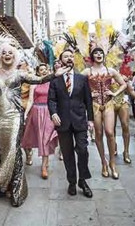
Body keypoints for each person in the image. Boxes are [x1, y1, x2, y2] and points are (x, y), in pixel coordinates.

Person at [0, 40, 68, 207]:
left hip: (15, 116)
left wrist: (54, 74)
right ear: (0, 56)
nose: (7, 55)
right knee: (2, 151)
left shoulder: (20, 74)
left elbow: (39, 80)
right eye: (4, 53)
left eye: (10, 52)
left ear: (15, 56)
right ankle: (3, 186)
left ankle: (17, 190)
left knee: (14, 150)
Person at [49, 50, 94, 197]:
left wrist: (91, 119)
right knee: (67, 154)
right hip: (63, 122)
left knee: (82, 150)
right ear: (61, 60)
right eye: (66, 56)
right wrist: (53, 113)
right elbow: (51, 100)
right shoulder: (55, 80)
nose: (69, 58)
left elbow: (88, 100)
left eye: (71, 56)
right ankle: (72, 182)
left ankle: (83, 180)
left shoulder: (82, 78)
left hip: (80, 120)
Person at [82, 48, 127, 179]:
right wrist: (88, 95)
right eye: (96, 53)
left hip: (108, 104)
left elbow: (123, 84)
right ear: (92, 56)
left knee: (110, 132)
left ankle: (112, 162)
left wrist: (115, 93)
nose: (99, 55)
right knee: (98, 134)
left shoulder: (110, 71)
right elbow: (77, 85)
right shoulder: (87, 71)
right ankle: (103, 162)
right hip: (94, 105)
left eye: (101, 53)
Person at [22, 63, 58, 179]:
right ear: (38, 72)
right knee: (31, 137)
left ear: (48, 70)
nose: (43, 71)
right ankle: (29, 154)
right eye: (41, 70)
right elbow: (31, 100)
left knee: (45, 138)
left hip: (49, 111)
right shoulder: (34, 84)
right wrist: (25, 113)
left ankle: (44, 166)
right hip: (36, 111)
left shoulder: (53, 83)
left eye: (45, 69)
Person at [111, 74, 132, 163]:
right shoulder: (105, 76)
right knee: (111, 128)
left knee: (125, 125)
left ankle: (126, 152)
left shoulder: (122, 78)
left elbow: (131, 91)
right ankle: (114, 147)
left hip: (122, 102)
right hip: (110, 103)